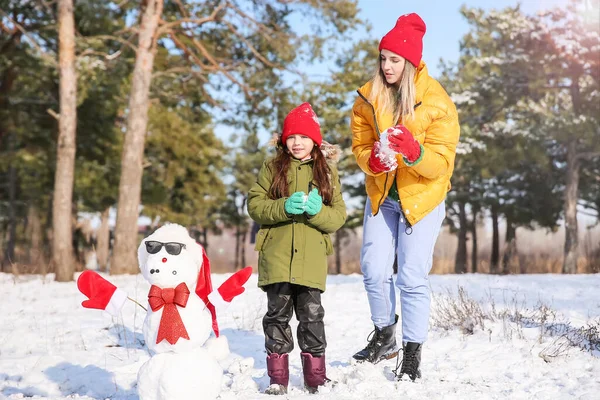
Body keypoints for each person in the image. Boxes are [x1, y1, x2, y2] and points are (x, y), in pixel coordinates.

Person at [350, 13, 460, 381]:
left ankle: (412, 353)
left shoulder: (438, 103)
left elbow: (442, 166)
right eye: (383, 58)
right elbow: (360, 147)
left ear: (411, 62)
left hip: (423, 198)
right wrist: (374, 162)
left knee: (410, 277)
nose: (386, 66)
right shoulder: (369, 96)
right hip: (383, 196)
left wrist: (414, 152)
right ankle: (384, 335)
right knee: (374, 271)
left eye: (394, 60)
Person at [247, 102, 347, 395]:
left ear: (315, 140)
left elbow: (338, 216)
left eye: (303, 137)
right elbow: (255, 205)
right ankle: (278, 379)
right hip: (277, 258)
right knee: (277, 317)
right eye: (292, 137)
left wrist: (318, 212)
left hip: (311, 262)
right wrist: (283, 207)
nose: (297, 143)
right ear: (284, 140)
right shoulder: (271, 168)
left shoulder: (326, 172)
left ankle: (316, 378)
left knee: (312, 317)